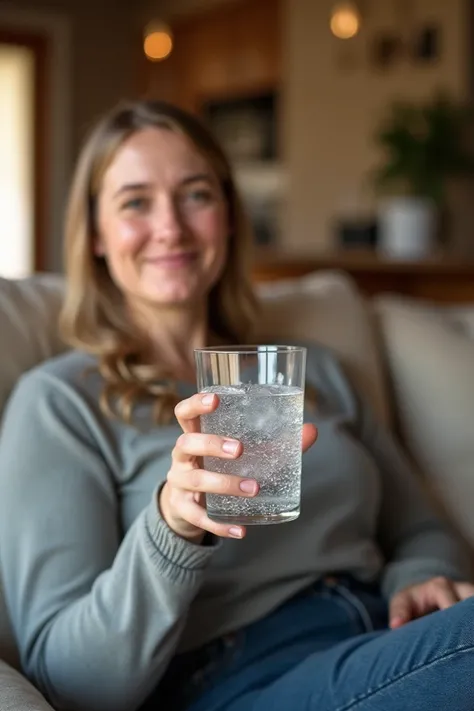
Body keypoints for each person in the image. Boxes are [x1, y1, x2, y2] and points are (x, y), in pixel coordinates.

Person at [0, 100, 473, 711]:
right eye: (135, 202)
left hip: (384, 638)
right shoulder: (61, 403)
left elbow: (420, 529)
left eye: (195, 194)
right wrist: (172, 528)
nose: (170, 226)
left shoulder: (313, 369)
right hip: (240, 677)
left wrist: (418, 575)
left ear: (226, 215)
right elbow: (70, 682)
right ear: (94, 232)